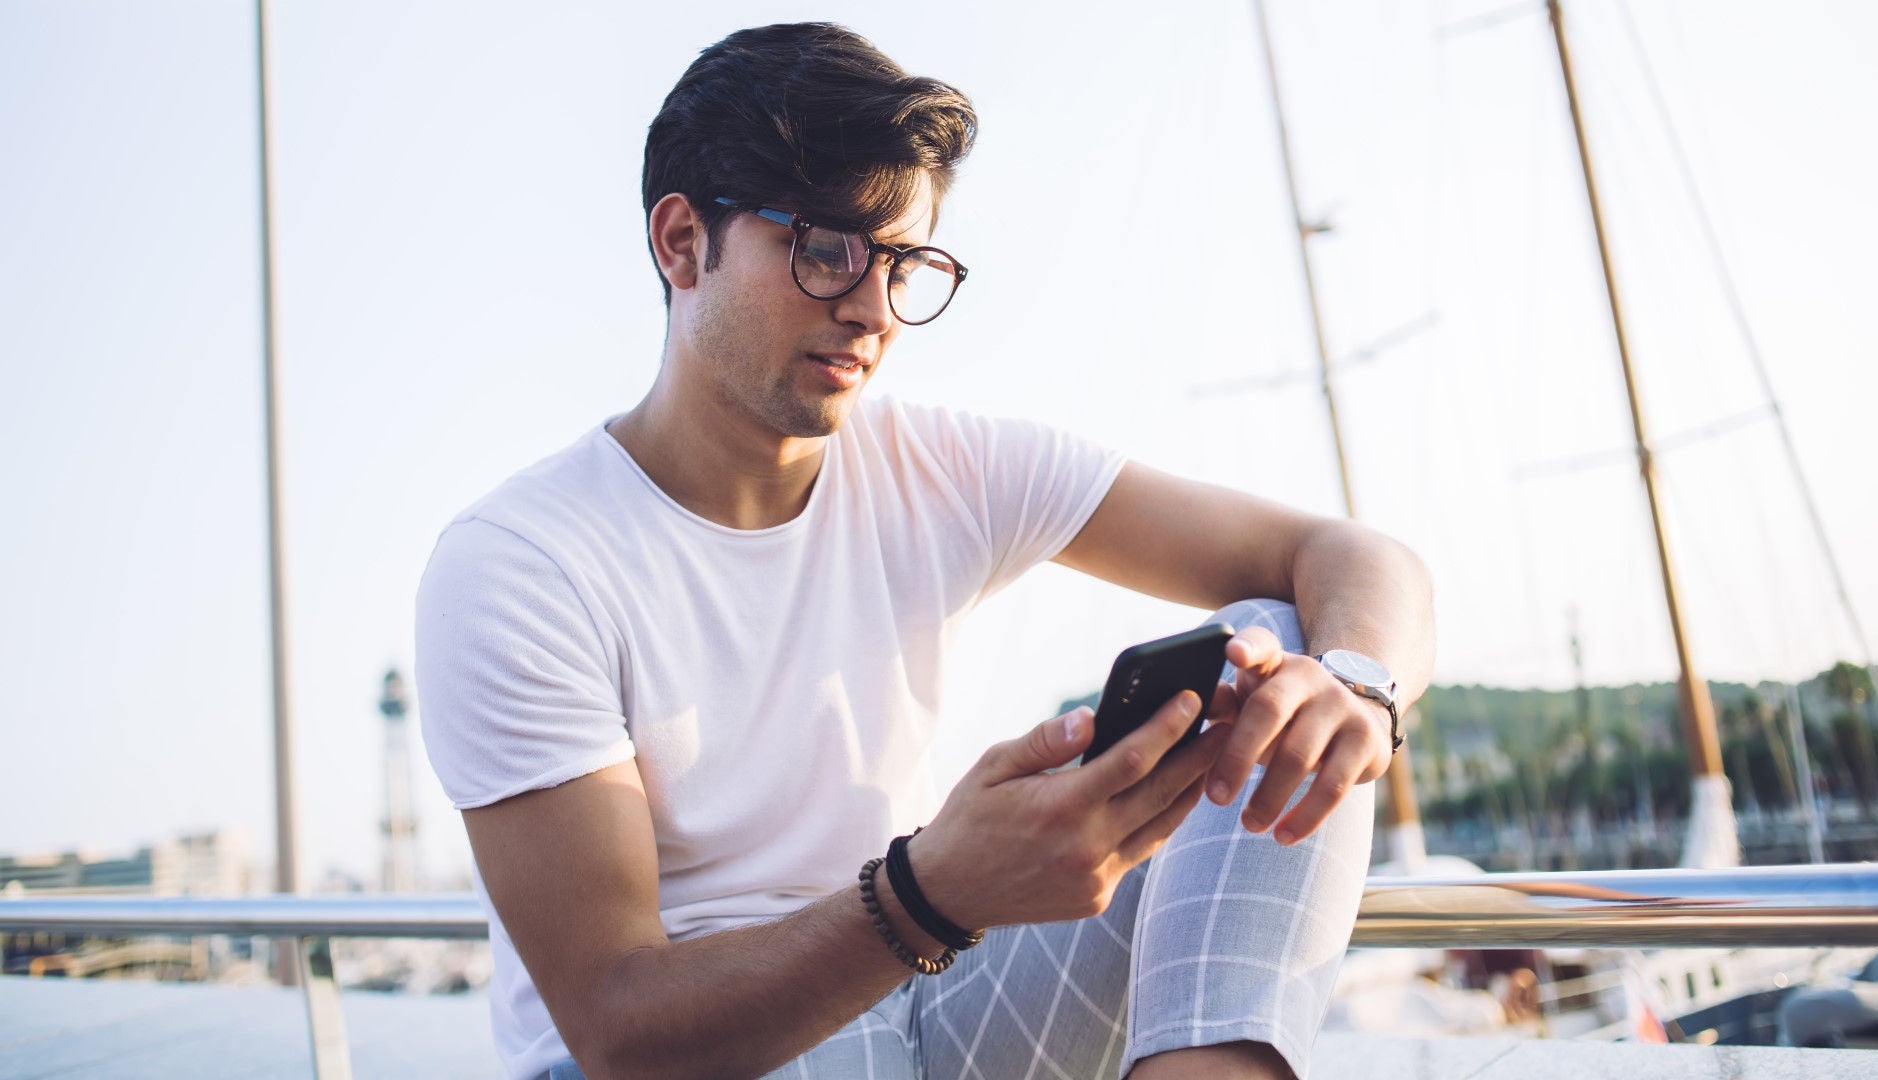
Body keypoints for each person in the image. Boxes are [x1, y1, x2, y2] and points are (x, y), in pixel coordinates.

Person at [415, 22, 1433, 1080]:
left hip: (922, 993)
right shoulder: (521, 564)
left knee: (1279, 650)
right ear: (681, 243)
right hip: (704, 1037)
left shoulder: (940, 468)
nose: (870, 307)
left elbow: (1352, 556)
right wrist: (934, 890)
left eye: (905, 261)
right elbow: (620, 1028)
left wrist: (1361, 688)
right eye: (824, 250)